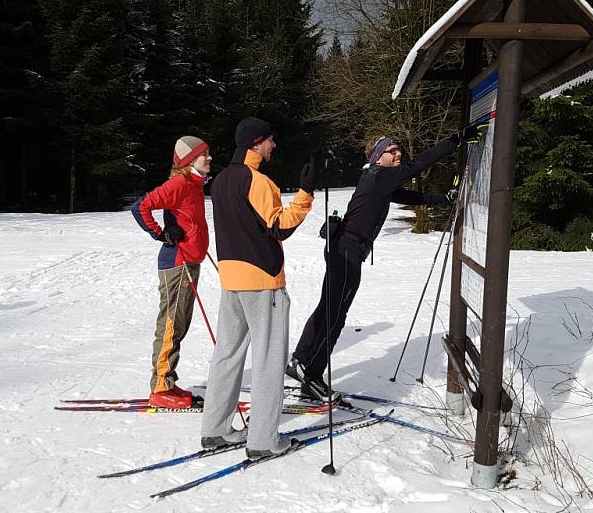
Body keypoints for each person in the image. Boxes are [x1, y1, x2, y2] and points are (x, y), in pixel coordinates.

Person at [287, 124, 482, 401]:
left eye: (398, 148)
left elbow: (411, 197)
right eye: (392, 150)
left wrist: (443, 198)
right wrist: (456, 140)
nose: (399, 153)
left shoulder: (379, 178)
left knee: (327, 308)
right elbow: (420, 164)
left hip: (343, 248)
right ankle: (312, 378)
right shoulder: (381, 176)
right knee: (335, 316)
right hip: (347, 253)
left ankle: (302, 359)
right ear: (378, 157)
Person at [201, 117, 315, 458]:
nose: (273, 146)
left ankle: (215, 429)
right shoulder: (257, 180)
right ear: (255, 142)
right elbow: (279, 226)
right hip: (262, 280)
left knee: (227, 354)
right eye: (269, 141)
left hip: (231, 278)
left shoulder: (220, 180)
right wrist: (306, 194)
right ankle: (264, 440)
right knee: (268, 358)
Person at [131, 136, 212, 409]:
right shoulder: (179, 183)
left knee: (179, 324)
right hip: (177, 264)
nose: (210, 158)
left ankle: (167, 380)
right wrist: (161, 233)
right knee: (171, 324)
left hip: (188, 262)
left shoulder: (194, 184)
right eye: (204, 154)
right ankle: (160, 387)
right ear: (189, 160)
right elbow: (140, 207)